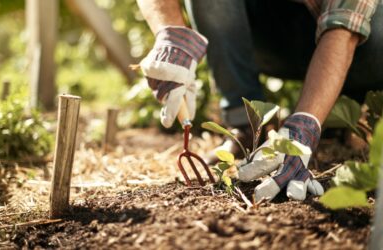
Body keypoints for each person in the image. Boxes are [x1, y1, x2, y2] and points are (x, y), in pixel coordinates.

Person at [135, 0, 382, 202]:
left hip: (364, 43)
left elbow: (344, 32)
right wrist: (171, 32)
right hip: (269, 36)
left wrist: (305, 125)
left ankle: (337, 115)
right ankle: (246, 124)